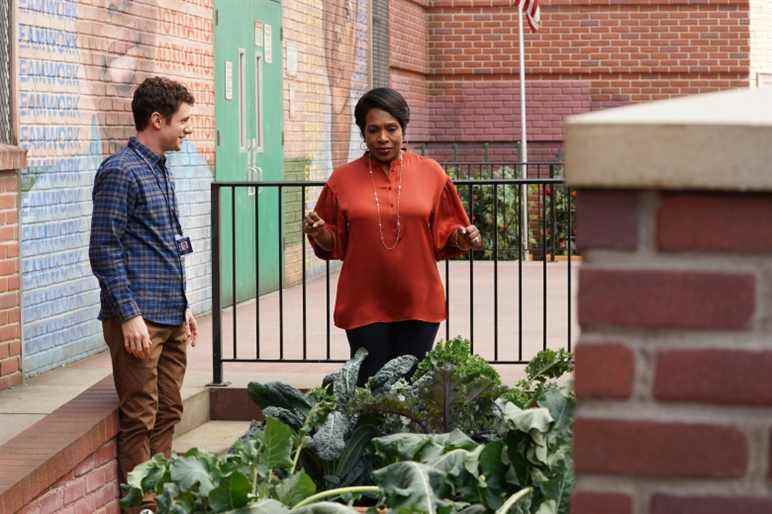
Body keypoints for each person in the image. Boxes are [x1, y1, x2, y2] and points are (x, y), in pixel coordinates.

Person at [303, 88, 482, 385]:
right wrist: (320, 233)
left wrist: (462, 238)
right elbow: (333, 244)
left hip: (418, 300)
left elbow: (449, 233)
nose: (383, 138)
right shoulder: (342, 180)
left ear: (403, 129)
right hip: (363, 302)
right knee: (369, 387)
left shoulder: (432, 173)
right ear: (363, 133)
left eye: (391, 129)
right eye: (373, 130)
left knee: (410, 391)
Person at [89, 77, 198, 512]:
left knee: (169, 410)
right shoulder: (120, 171)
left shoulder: (159, 167)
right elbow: (104, 248)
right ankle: (143, 506)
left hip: (170, 314)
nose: (189, 129)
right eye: (184, 120)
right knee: (140, 416)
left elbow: (163, 242)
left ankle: (163, 492)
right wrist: (129, 315)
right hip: (138, 320)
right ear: (157, 120)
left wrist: (184, 304)